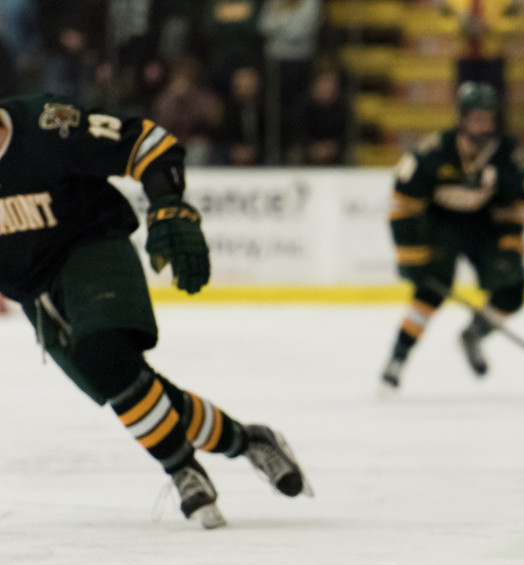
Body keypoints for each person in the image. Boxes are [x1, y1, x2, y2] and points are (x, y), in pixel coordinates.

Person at [0, 93, 310, 529]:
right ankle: (247, 439)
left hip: (91, 247)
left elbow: (148, 143)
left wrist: (168, 202)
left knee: (103, 354)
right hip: (35, 292)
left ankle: (182, 467)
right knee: (126, 382)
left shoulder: (48, 124)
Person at [380, 81, 524, 391]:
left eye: (488, 117)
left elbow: (520, 205)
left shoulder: (509, 156)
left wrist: (509, 245)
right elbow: (401, 203)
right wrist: (410, 253)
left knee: (512, 290)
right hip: (439, 227)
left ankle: (474, 334)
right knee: (431, 290)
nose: (482, 125)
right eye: (475, 117)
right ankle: (397, 357)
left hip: (485, 227)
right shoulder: (434, 152)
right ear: (462, 118)